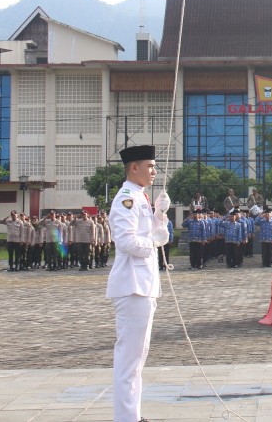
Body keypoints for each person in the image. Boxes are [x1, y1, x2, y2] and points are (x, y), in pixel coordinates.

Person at [106, 145, 171, 422]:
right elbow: (127, 241)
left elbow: (160, 236)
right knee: (129, 360)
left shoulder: (140, 198)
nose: (155, 171)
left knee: (137, 358)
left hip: (143, 285)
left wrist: (159, 214)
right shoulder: (126, 199)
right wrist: (153, 242)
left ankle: (131, 415)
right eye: (151, 166)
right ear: (134, 167)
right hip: (132, 285)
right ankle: (126, 418)